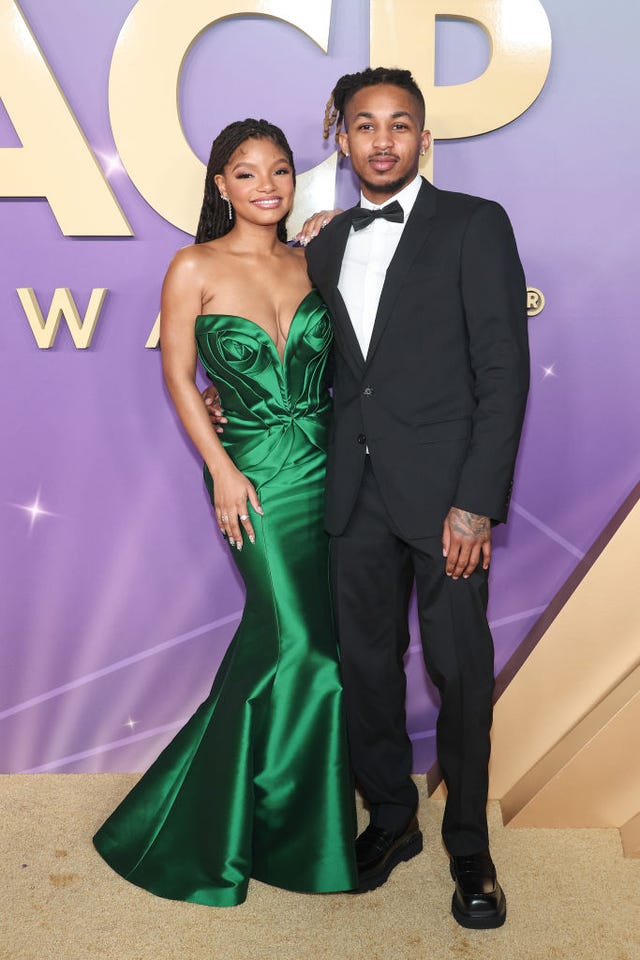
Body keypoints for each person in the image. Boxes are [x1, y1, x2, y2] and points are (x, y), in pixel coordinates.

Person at [208, 67, 529, 928]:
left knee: (460, 671)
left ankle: (470, 847)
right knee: (365, 671)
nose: (381, 140)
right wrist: (225, 399)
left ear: (424, 138)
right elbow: (302, 359)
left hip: (446, 498)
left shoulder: (475, 224)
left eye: (399, 125)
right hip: (349, 495)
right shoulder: (321, 242)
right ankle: (390, 820)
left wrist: (475, 501)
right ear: (340, 137)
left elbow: (502, 371)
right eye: (363, 125)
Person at [93, 119, 357, 907]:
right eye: (247, 174)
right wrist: (221, 469)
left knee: (289, 646)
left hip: (332, 465)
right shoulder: (193, 266)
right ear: (221, 185)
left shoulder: (314, 258)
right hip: (255, 476)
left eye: (279, 171)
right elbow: (179, 377)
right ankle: (216, 829)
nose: (267, 186)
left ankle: (266, 822)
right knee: (304, 646)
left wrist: (337, 231)